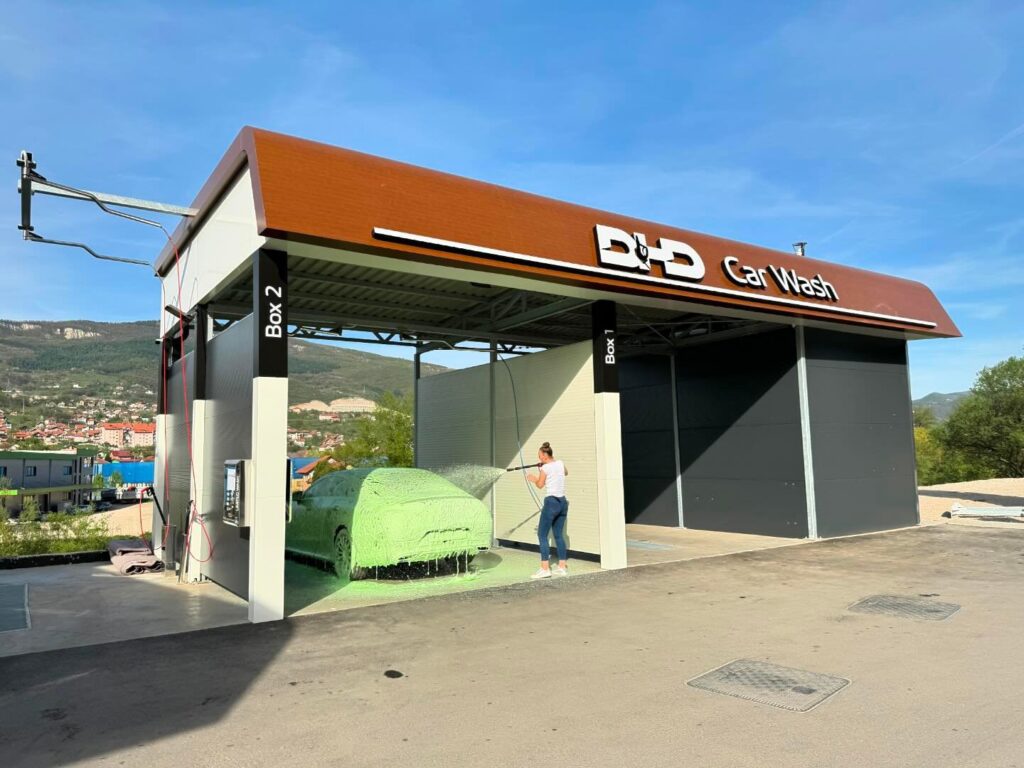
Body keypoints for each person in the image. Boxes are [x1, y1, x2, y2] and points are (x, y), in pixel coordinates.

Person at [526, 442, 569, 578]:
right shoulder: (560, 463)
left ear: (545, 455)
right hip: (562, 503)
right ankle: (562, 567)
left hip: (551, 503)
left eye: (540, 456)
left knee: (542, 535)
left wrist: (534, 478)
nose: (539, 458)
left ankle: (545, 569)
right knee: (558, 535)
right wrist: (544, 468)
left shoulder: (545, 468)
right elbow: (565, 473)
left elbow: (540, 485)